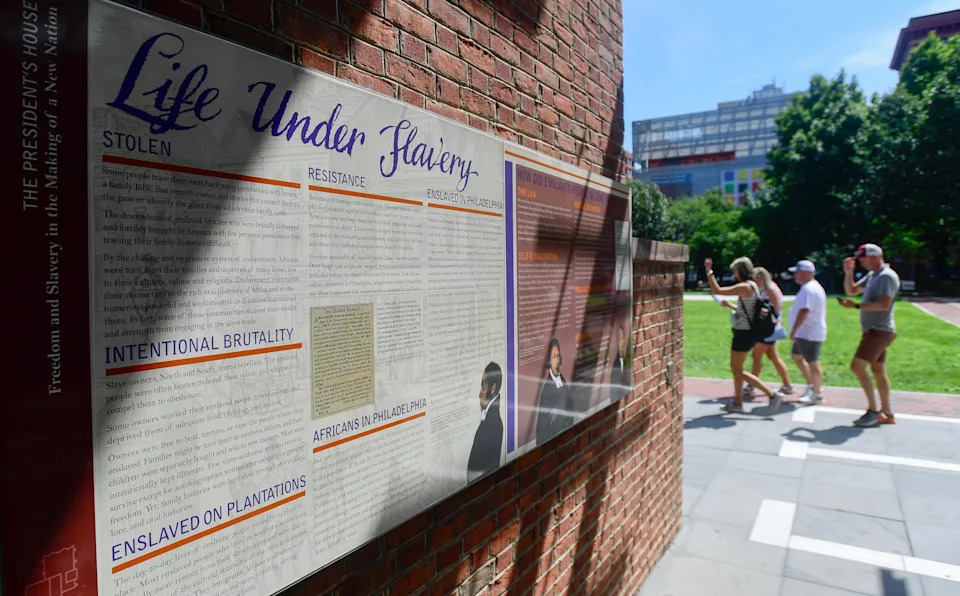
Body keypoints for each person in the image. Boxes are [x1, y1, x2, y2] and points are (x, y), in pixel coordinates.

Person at [705, 256, 787, 413]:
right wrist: (730, 305)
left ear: (739, 271)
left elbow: (717, 290)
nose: (734, 274)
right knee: (737, 368)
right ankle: (737, 402)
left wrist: (709, 271)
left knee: (737, 370)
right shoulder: (753, 286)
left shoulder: (746, 287)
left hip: (744, 334)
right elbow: (747, 310)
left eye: (735, 271)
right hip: (747, 332)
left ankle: (772, 395)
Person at [840, 243, 901, 427]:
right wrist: (848, 272)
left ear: (875, 256)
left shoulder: (886, 277)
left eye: (863, 259)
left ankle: (874, 411)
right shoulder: (873, 275)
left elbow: (884, 304)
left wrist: (856, 306)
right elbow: (851, 290)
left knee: (857, 367)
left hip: (879, 331)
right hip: (876, 330)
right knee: (878, 371)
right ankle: (888, 413)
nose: (861, 263)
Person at [742, 267, 794, 399]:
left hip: (768, 330)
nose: (754, 282)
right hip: (766, 329)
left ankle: (751, 386)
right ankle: (787, 385)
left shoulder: (770, 290)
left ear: (761, 278)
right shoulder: (766, 289)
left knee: (756, 356)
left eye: (756, 280)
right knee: (773, 357)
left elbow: (776, 311)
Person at [787, 260, 828, 405]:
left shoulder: (808, 289)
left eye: (797, 273)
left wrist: (794, 330)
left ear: (805, 273)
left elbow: (804, 310)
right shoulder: (810, 287)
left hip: (808, 332)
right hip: (806, 332)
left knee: (813, 363)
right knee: (796, 356)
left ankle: (816, 393)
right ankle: (812, 385)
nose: (795, 276)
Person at [467, 362, 504, 481]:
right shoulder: (491, 419)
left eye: (484, 386)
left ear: (493, 388)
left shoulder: (492, 423)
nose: (480, 393)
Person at [536, 338, 574, 444]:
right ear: (549, 360)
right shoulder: (547, 391)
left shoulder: (563, 381)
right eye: (553, 357)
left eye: (558, 356)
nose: (556, 361)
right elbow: (542, 429)